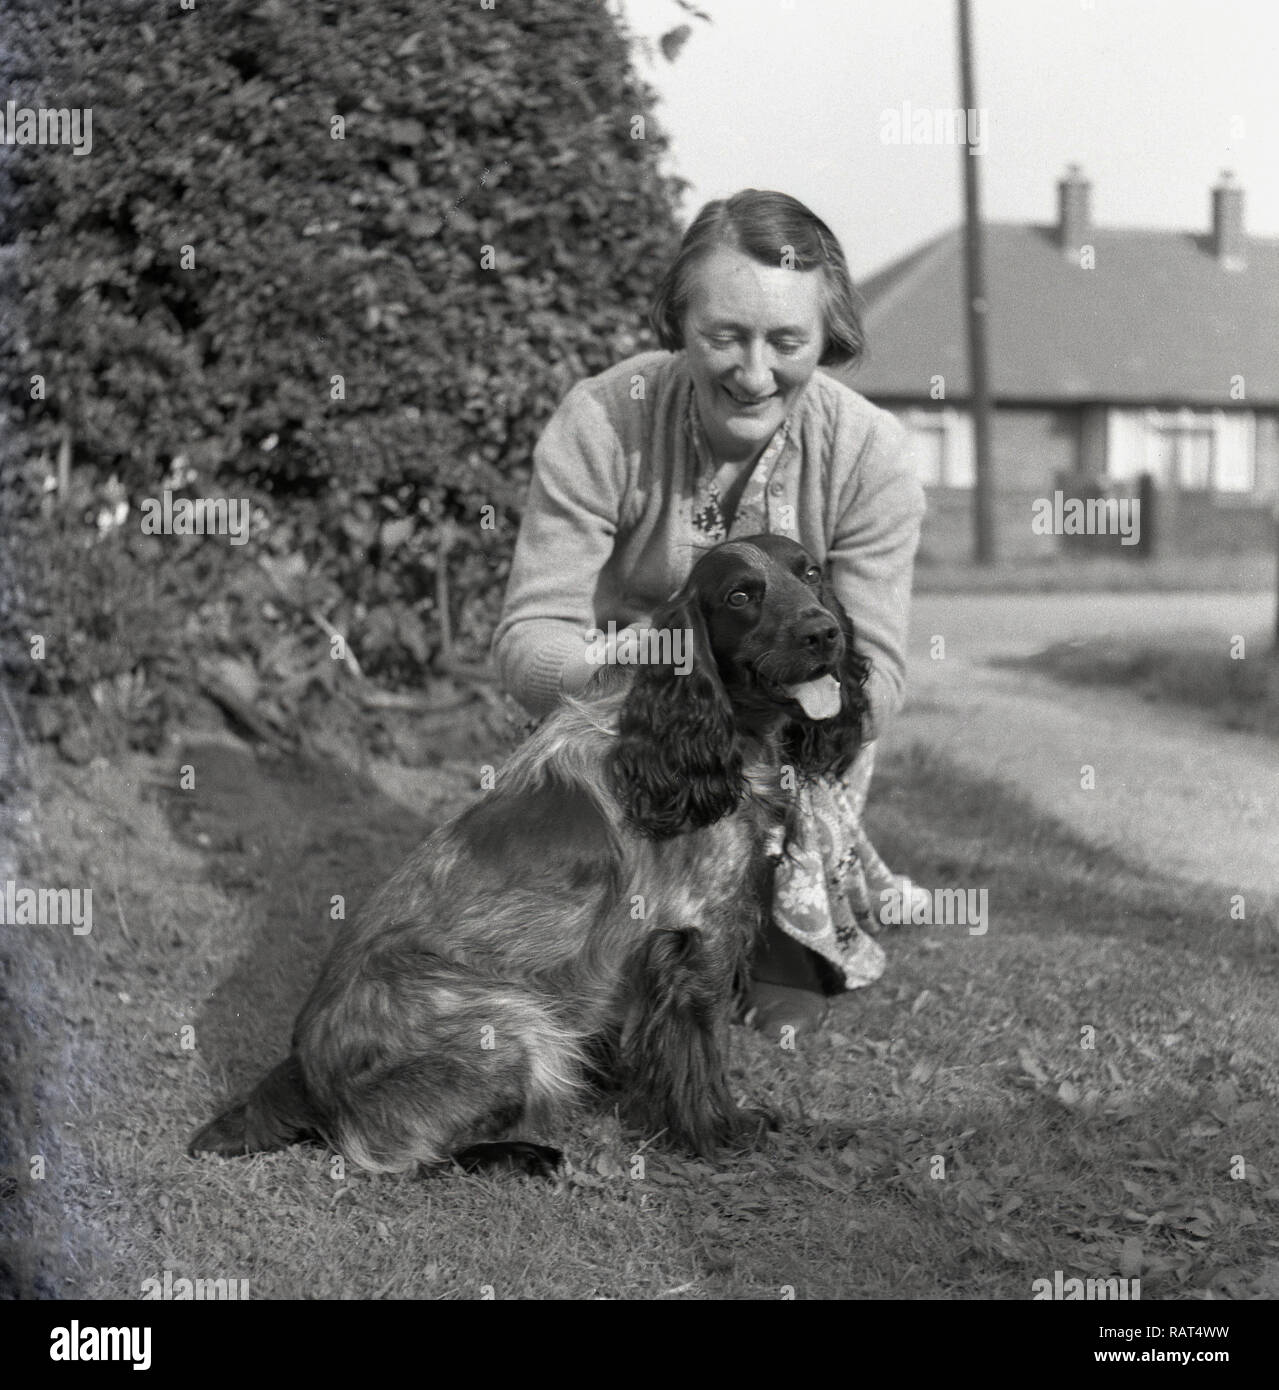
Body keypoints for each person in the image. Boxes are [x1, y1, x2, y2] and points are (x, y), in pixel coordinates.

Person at [493, 189, 925, 1037]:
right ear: (676, 322)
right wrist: (657, 665)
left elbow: (877, 681)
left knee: (773, 1004)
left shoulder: (870, 455)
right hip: (635, 717)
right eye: (723, 336)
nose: (754, 372)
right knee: (585, 992)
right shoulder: (599, 421)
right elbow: (527, 646)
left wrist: (765, 705)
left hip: (785, 731)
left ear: (826, 338)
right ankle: (618, 909)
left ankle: (783, 925)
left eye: (787, 341)